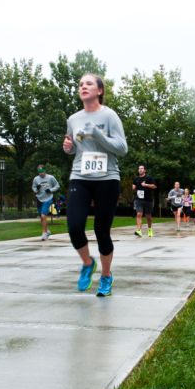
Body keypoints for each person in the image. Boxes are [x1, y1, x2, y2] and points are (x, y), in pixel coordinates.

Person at [63, 74, 127, 297]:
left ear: (99, 90)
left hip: (107, 178)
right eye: (80, 84)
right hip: (80, 175)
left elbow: (122, 148)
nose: (83, 86)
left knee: (101, 231)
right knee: (74, 227)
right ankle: (87, 263)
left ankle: (106, 276)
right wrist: (68, 147)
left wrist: (99, 135)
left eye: (88, 83)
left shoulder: (109, 116)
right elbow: (73, 148)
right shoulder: (73, 119)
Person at [32, 164, 60, 240]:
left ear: (44, 171)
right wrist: (36, 189)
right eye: (39, 172)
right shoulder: (36, 179)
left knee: (43, 215)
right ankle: (47, 231)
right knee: (41, 217)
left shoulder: (51, 178)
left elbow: (57, 186)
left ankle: (44, 233)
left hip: (48, 199)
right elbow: (33, 188)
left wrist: (50, 190)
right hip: (39, 198)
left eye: (41, 171)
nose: (40, 173)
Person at [132, 165, 157, 237]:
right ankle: (139, 230)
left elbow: (154, 186)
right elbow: (133, 185)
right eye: (139, 168)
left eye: (141, 168)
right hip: (139, 199)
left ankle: (150, 229)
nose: (140, 170)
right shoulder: (136, 178)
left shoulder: (148, 177)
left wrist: (146, 185)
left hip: (147, 200)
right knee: (139, 214)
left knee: (148, 216)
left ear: (144, 170)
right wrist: (133, 187)